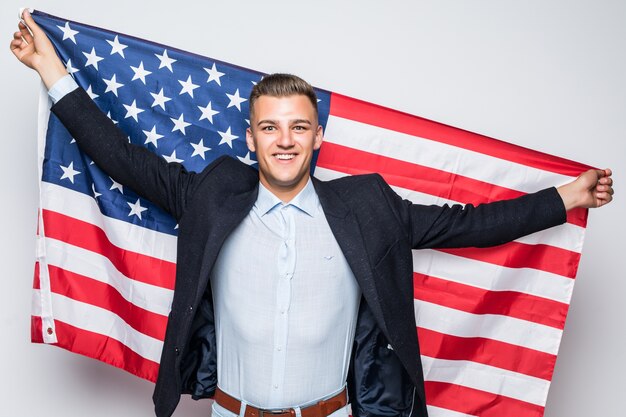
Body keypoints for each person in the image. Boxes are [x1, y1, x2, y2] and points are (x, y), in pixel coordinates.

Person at [11, 10, 614, 417]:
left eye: (298, 126)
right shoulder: (213, 194)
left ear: (317, 135)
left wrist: (569, 197)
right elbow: (121, 158)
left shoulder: (367, 206)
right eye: (269, 127)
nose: (284, 141)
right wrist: (51, 70)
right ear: (250, 137)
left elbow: (470, 225)